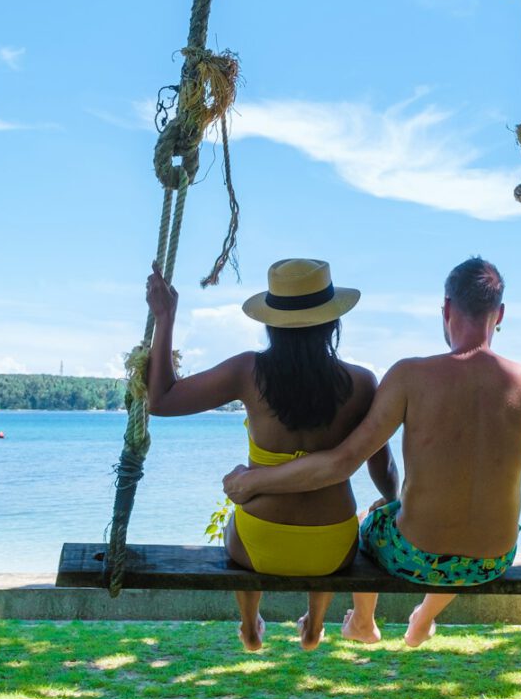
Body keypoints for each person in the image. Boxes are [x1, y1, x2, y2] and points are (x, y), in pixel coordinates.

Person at [223, 256, 521, 647]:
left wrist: (256, 479)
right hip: (492, 561)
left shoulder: (410, 376)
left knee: (374, 516)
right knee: (465, 538)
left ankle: (364, 621)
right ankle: (424, 616)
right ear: (499, 314)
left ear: (447, 309)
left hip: (413, 558)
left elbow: (341, 463)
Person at [146, 256, 398, 654]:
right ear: (333, 322)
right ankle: (314, 625)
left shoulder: (249, 371)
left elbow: (160, 400)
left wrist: (165, 317)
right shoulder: (362, 382)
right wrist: (392, 499)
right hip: (331, 546)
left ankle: (250, 625)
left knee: (237, 522)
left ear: (270, 323)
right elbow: (382, 467)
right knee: (338, 528)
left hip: (258, 541)